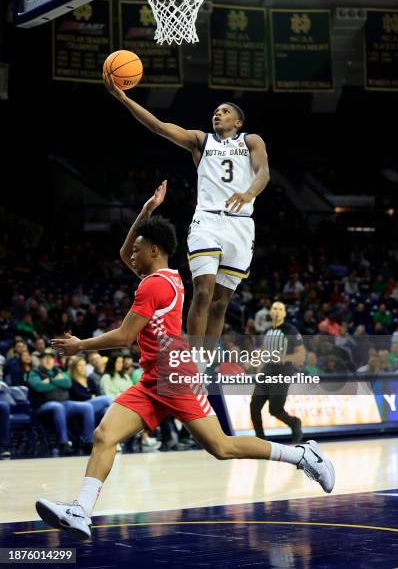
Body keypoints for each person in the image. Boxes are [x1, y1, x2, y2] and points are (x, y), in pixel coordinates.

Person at [36, 184, 334, 541]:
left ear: (154, 249)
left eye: (138, 249)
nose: (131, 254)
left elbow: (123, 337)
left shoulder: (153, 286)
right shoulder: (164, 278)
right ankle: (81, 510)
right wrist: (146, 210)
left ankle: (302, 455)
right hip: (153, 379)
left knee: (221, 447)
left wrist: (79, 345)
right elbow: (123, 252)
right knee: (104, 435)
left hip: (175, 376)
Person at [104, 73, 270, 357]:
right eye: (216, 111)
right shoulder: (200, 141)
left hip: (241, 224)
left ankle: (206, 361)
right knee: (203, 292)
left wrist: (248, 193)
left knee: (221, 302)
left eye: (226, 111)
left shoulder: (251, 140)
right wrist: (123, 97)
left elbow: (264, 172)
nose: (218, 114)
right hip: (207, 220)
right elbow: (159, 126)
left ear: (238, 122)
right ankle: (193, 359)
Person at [250, 301, 304, 443]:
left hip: (283, 372)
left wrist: (284, 357)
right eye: (274, 308)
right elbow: (263, 349)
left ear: (285, 313)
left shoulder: (291, 330)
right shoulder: (267, 331)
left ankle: (294, 423)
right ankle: (260, 440)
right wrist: (256, 360)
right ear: (270, 312)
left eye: (280, 309)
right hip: (267, 371)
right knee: (254, 406)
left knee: (275, 410)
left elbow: (300, 354)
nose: (277, 311)